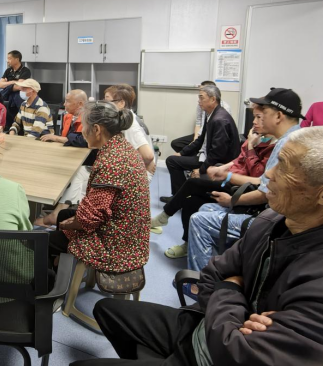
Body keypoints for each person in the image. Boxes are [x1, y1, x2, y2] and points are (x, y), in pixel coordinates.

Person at [84, 126, 323, 366]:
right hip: (205, 327)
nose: (269, 173)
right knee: (106, 309)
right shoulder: (269, 222)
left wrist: (230, 287)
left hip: (214, 354)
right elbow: (211, 275)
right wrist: (236, 312)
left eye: (284, 166)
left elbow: (235, 352)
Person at [186, 88, 303, 273]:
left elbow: (264, 192)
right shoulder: (295, 138)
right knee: (206, 208)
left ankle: (202, 283)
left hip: (270, 222)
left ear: (278, 116)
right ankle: (222, 269)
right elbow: (262, 181)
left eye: (263, 113)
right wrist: (227, 174)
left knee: (199, 220)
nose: (258, 120)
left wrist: (232, 200)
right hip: (271, 215)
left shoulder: (287, 145)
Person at [151, 104, 276, 262]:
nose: (254, 122)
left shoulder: (271, 146)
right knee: (190, 201)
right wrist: (222, 168)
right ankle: (187, 244)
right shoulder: (256, 136)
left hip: (239, 187)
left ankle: (165, 215)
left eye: (259, 117)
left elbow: (257, 175)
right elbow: (238, 160)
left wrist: (249, 149)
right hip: (230, 179)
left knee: (192, 184)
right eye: (255, 117)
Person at [48, 102, 151, 278]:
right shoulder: (121, 147)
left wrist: (71, 224)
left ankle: (55, 286)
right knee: (64, 215)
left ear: (96, 129)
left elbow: (90, 217)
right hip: (130, 232)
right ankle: (61, 271)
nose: (82, 131)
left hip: (118, 245)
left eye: (84, 126)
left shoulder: (111, 162)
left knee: (46, 241)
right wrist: (73, 220)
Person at [164, 85, 241, 198]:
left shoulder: (219, 119)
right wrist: (181, 153)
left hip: (219, 163)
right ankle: (181, 196)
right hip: (206, 155)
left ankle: (180, 197)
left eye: (201, 97)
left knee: (171, 161)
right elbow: (200, 140)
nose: (199, 101)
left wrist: (201, 170)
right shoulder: (211, 114)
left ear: (213, 99)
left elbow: (217, 153)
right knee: (173, 159)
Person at [35, 90, 89, 227]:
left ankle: (56, 213)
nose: (64, 104)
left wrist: (59, 138)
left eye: (68, 101)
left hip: (84, 161)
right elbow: (67, 139)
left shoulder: (88, 119)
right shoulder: (67, 116)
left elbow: (82, 141)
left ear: (80, 104)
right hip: (67, 154)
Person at [104, 85, 156, 179]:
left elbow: (148, 156)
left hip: (137, 176)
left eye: (107, 101)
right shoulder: (128, 117)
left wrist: (147, 165)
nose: (105, 105)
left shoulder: (130, 126)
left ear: (121, 103)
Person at [171, 81, 233, 153]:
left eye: (203, 91)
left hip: (212, 136)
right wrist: (195, 140)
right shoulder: (201, 104)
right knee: (176, 144)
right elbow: (198, 122)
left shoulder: (224, 108)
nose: (200, 94)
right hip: (202, 134)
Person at [0, 50, 32, 129]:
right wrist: (13, 82)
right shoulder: (8, 70)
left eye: (9, 58)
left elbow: (20, 86)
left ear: (17, 59)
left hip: (18, 98)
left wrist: (6, 84)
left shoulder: (25, 70)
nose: (7, 61)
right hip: (7, 97)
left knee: (18, 120)